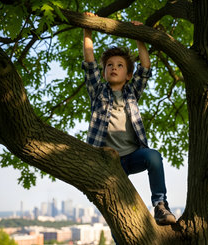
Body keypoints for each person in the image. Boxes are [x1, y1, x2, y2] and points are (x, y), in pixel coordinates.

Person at [81, 12, 176, 225]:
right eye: (109, 65)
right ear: (104, 72)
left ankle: (160, 205)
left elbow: (145, 69)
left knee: (153, 156)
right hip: (109, 161)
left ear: (128, 75)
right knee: (119, 211)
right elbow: (89, 63)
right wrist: (87, 30)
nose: (113, 68)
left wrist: (139, 37)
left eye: (120, 65)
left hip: (133, 156)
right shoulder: (97, 91)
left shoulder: (132, 93)